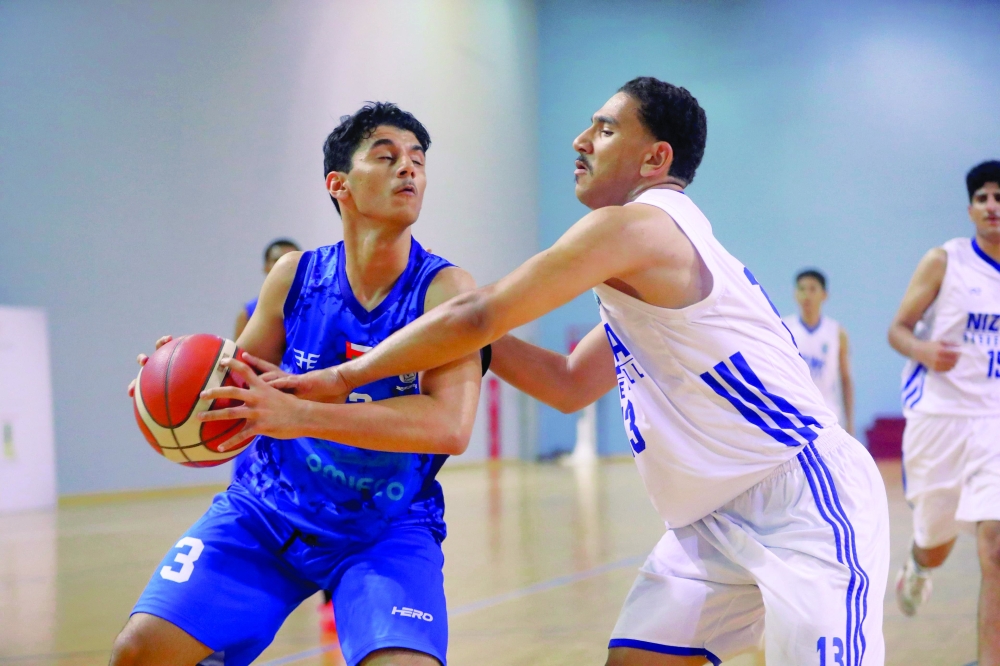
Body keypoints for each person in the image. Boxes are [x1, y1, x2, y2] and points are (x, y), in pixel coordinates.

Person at [263, 77, 891, 665]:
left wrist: (350, 375)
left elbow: (480, 313)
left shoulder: (640, 226)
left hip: (800, 495)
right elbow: (565, 383)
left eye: (606, 129)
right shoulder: (641, 265)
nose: (581, 141)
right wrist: (440, 332)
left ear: (654, 161)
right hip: (711, 518)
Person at [112, 102, 484, 666]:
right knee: (139, 652)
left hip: (386, 528)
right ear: (339, 184)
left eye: (417, 160)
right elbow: (233, 385)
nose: (408, 169)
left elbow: (450, 427)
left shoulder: (446, 291)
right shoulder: (295, 277)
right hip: (268, 512)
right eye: (386, 157)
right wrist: (173, 383)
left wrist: (302, 415)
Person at [889, 160, 1000, 664]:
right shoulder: (945, 261)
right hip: (940, 419)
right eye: (982, 198)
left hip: (994, 422)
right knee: (937, 540)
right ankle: (918, 566)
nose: (992, 206)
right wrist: (924, 351)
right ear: (971, 207)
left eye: (999, 197)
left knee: (995, 546)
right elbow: (899, 329)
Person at [783, 269, 855, 435]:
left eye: (812, 289)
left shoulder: (837, 332)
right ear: (795, 294)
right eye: (801, 289)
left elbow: (845, 379)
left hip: (828, 413)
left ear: (824, 295)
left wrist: (850, 422)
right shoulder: (784, 329)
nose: (806, 295)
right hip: (795, 413)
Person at [234, 238, 301, 340]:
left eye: (291, 261)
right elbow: (237, 354)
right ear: (266, 267)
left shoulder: (316, 308)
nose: (284, 266)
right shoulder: (247, 313)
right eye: (276, 260)